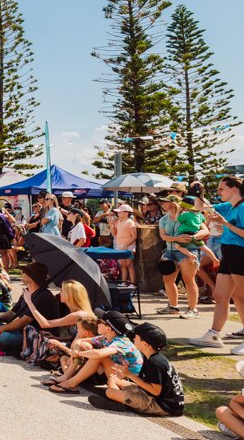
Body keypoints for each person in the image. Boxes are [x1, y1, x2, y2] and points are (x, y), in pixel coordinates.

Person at [191, 175, 244, 352]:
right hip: (229, 254)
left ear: (234, 189)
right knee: (221, 297)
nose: (219, 192)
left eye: (222, 189)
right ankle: (213, 334)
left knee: (241, 298)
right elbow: (201, 209)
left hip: (240, 254)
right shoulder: (229, 206)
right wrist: (199, 193)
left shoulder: (242, 207)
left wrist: (225, 223)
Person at [86, 323, 184, 416]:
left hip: (162, 405)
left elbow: (155, 392)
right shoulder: (151, 356)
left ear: (145, 344)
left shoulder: (155, 363)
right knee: (112, 380)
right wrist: (125, 374)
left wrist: (129, 374)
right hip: (152, 395)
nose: (133, 339)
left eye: (136, 338)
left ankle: (119, 401)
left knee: (109, 392)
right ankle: (119, 401)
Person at [49, 310, 143, 393]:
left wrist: (78, 353)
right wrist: (77, 348)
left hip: (129, 380)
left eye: (99, 321)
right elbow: (80, 341)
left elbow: (99, 354)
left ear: (108, 329)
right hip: (115, 373)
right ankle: (68, 376)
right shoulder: (105, 338)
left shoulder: (121, 342)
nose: (96, 323)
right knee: (86, 347)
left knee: (99, 356)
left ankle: (71, 382)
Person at [0, 262, 60, 355]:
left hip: (35, 337)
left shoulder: (43, 296)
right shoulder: (27, 292)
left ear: (31, 277)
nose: (21, 274)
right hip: (22, 331)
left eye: (24, 272)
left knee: (4, 337)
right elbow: (13, 312)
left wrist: (0, 330)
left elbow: (25, 320)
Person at [155, 195, 203, 319]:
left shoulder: (190, 215)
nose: (163, 204)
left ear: (174, 203)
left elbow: (205, 231)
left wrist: (193, 237)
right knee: (168, 279)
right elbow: (163, 236)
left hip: (188, 250)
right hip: (170, 251)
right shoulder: (164, 219)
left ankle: (193, 309)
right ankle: (173, 306)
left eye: (166, 201)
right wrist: (176, 238)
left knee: (189, 279)